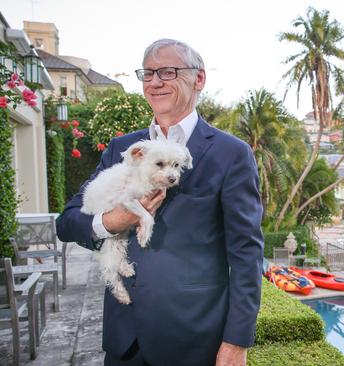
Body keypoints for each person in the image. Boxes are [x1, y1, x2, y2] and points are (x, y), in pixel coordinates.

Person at [56, 39, 264, 366]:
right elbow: (67, 222)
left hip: (193, 338)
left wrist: (237, 340)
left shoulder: (232, 154)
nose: (154, 82)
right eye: (147, 73)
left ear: (199, 79)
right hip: (125, 338)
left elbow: (246, 252)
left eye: (167, 71)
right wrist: (112, 221)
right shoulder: (122, 148)